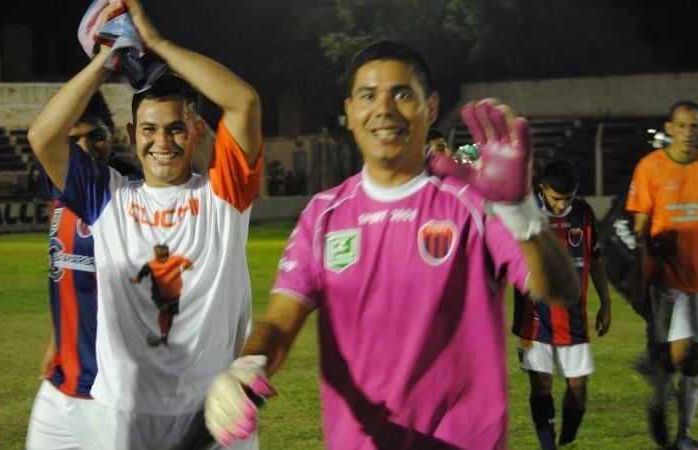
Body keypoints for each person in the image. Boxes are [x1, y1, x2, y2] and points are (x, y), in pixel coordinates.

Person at [203, 40, 580, 449]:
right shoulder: (323, 215)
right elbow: (279, 320)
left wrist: (521, 214)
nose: (383, 109)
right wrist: (248, 365)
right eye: (368, 96)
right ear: (349, 112)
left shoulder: (474, 203)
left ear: (430, 107)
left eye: (402, 94)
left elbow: (559, 290)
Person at [26, 0, 263, 447]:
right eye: (149, 129)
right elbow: (42, 137)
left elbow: (244, 100)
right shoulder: (107, 197)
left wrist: (156, 43)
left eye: (176, 128)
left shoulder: (223, 194)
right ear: (133, 136)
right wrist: (105, 61)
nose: (162, 142)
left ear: (196, 132)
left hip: (213, 413)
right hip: (125, 413)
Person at [25, 91, 142, 449]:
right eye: (73, 139)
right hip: (64, 380)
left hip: (113, 391)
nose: (86, 146)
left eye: (96, 136)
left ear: (114, 136)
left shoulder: (132, 188)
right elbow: (65, 272)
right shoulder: (59, 185)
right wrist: (56, 337)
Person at [626, 100, 698, 449]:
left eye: (694, 126)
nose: (688, 132)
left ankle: (683, 432)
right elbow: (639, 231)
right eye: (682, 125)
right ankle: (660, 400)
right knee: (680, 353)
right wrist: (640, 279)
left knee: (692, 359)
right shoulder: (650, 167)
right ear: (669, 128)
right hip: (666, 280)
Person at [513, 159, 612, 449]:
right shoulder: (525, 211)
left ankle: (569, 430)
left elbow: (595, 260)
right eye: (557, 198)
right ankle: (548, 445)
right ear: (542, 188)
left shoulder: (583, 214)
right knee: (540, 384)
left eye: (568, 198)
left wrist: (605, 303)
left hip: (573, 317)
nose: (561, 204)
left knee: (578, 389)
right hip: (533, 317)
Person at [131, 244, 193, 347]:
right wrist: (136, 279)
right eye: (157, 251)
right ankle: (163, 333)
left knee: (171, 315)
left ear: (166, 251)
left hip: (175, 294)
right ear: (155, 253)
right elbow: (141, 275)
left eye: (162, 251)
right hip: (159, 294)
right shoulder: (150, 265)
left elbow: (189, 265)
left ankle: (165, 336)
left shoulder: (176, 259)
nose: (159, 253)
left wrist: (181, 268)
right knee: (164, 311)